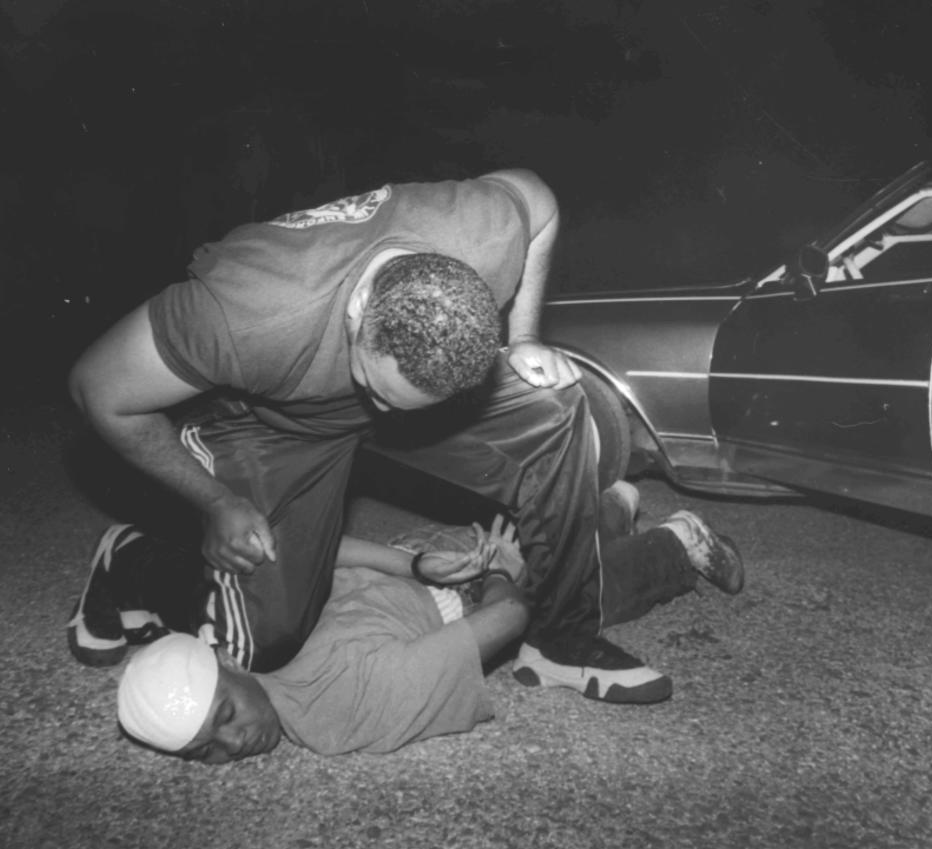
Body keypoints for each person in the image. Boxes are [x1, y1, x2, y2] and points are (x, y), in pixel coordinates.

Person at [67, 168, 742, 704]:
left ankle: (561, 639)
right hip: (278, 423)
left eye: (407, 405)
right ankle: (133, 557)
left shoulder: (481, 232)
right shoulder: (246, 311)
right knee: (261, 648)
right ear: (360, 309)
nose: (387, 417)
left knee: (555, 402)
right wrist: (213, 501)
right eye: (375, 388)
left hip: (417, 380)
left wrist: (527, 338)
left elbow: (539, 199)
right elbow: (97, 390)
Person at [114, 490, 743, 764]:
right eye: (206, 752)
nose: (235, 743)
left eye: (224, 716)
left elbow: (508, 614)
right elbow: (317, 557)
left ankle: (674, 542)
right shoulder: (247, 642)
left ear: (222, 661)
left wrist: (492, 571)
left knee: (557, 599)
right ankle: (609, 506)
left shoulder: (339, 708)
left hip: (444, 571)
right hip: (433, 567)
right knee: (541, 555)